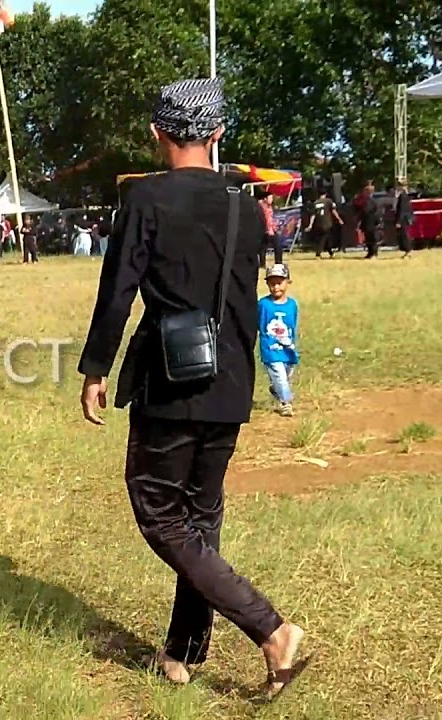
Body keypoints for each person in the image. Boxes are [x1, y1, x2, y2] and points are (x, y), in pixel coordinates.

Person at [77, 78, 307, 695]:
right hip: (232, 376)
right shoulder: (245, 206)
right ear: (218, 132)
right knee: (199, 518)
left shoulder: (145, 199)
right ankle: (182, 651)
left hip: (172, 375)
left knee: (158, 509)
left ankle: (271, 629)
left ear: (157, 133)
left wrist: (96, 369)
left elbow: (117, 291)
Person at [258, 264, 299, 417]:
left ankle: (276, 389)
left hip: (288, 349)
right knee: (279, 375)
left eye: (279, 283)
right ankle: (285, 403)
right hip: (271, 349)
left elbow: (292, 325)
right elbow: (258, 323)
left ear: (288, 282)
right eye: (272, 283)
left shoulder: (292, 304)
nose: (276, 287)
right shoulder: (263, 304)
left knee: (287, 374)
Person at [305, 189, 342, 259]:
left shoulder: (315, 203)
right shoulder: (328, 201)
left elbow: (313, 215)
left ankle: (331, 253)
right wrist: (339, 219)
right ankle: (318, 254)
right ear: (325, 194)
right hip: (327, 223)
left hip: (318, 223)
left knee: (326, 238)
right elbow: (333, 211)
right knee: (323, 239)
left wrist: (310, 225)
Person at [256, 189, 283, 266]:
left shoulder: (269, 207)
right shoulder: (261, 207)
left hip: (271, 229)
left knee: (276, 246)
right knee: (264, 247)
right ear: (265, 199)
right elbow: (265, 219)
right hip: (264, 230)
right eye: (270, 198)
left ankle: (278, 263)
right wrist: (268, 229)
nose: (272, 199)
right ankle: (263, 263)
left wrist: (274, 227)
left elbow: (270, 219)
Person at [354, 181, 380, 258]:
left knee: (371, 238)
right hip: (368, 221)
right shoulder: (371, 201)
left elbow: (366, 211)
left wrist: (359, 217)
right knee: (368, 237)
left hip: (370, 221)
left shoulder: (369, 201)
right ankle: (370, 252)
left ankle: (373, 252)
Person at [392, 182, 414, 258]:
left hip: (403, 219)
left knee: (404, 235)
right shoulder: (406, 195)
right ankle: (408, 250)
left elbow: (402, 209)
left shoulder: (402, 196)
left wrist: (399, 221)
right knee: (405, 235)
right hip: (406, 218)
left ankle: (408, 251)